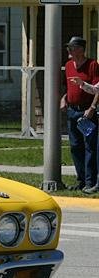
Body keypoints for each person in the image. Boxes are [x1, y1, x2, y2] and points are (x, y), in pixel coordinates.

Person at [60, 36, 99, 194]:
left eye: (72, 47)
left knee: (90, 147)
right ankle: (81, 180)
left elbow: (97, 89)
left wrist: (92, 108)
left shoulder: (92, 65)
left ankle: (90, 181)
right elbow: (68, 87)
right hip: (72, 111)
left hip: (86, 112)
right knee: (76, 147)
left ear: (81, 49)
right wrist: (63, 99)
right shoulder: (69, 65)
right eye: (68, 47)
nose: (69, 50)